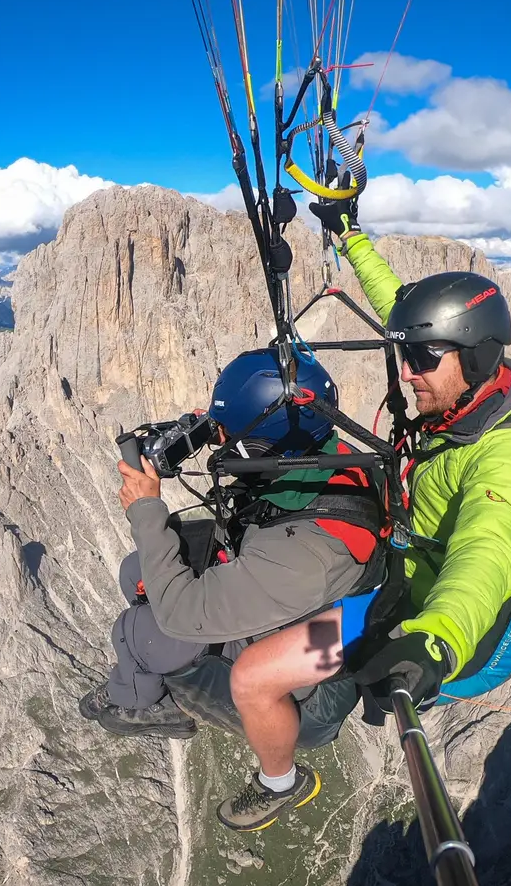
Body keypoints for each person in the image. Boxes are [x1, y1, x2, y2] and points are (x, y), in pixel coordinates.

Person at [219, 196, 511, 822]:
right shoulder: (466, 387)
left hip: (402, 605)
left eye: (422, 360)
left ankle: (281, 780)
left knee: (252, 677)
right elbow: (396, 305)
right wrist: (348, 234)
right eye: (408, 355)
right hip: (388, 550)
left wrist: (434, 640)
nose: (406, 373)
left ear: (477, 356)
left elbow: (486, 551)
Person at [78, 347, 384, 832]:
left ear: (259, 447)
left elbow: (181, 613)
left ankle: (149, 707)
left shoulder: (307, 557)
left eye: (228, 436)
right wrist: (210, 427)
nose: (219, 443)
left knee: (142, 629)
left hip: (312, 688)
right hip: (296, 592)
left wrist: (146, 510)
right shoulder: (323, 452)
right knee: (136, 572)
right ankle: (143, 679)